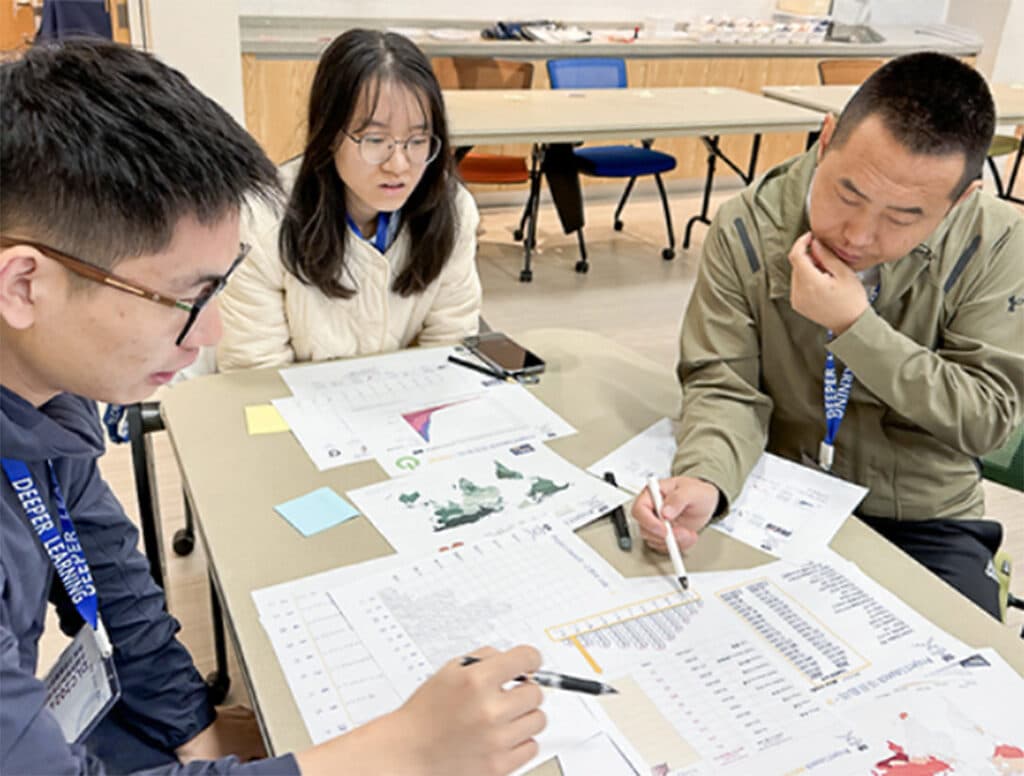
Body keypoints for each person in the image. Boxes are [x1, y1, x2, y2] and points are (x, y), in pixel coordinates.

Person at [1, 40, 544, 775]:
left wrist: (191, 723)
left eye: (418, 142)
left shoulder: (45, 400)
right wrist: (403, 753)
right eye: (184, 298)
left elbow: (111, 578)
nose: (213, 333)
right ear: (24, 286)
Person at [632, 52, 1024, 618]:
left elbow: (987, 420)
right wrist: (706, 478)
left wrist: (855, 327)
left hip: (922, 516)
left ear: (959, 200)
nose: (859, 236)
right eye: (848, 194)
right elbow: (724, 385)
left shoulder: (998, 244)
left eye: (904, 216)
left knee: (960, 675)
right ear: (826, 138)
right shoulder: (748, 227)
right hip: (778, 489)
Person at [215, 29, 482, 372]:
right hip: (304, 412)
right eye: (374, 139)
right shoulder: (262, 221)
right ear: (328, 134)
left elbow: (451, 346)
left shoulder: (452, 209)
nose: (398, 165)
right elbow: (256, 373)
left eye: (417, 140)